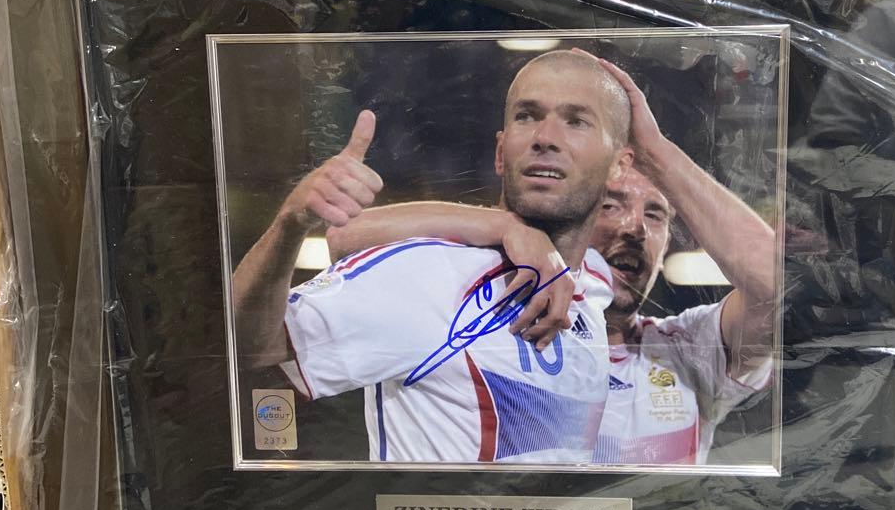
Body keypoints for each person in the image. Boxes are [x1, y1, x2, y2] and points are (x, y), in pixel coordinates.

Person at [324, 54, 776, 466]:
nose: (634, 228)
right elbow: (349, 237)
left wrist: (655, 152)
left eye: (655, 214)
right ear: (581, 204)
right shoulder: (472, 310)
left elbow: (775, 286)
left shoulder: (689, 353)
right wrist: (506, 228)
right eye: (612, 205)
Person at [231, 50, 633, 465]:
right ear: (500, 154)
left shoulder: (594, 285)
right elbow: (248, 348)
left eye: (576, 121)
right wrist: (290, 224)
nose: (545, 137)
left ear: (619, 167)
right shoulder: (430, 275)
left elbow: (347, 236)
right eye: (527, 116)